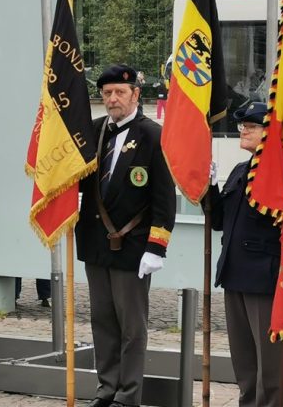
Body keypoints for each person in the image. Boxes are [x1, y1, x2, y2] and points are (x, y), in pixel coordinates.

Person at [74, 64, 176, 407]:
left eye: (120, 92)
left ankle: (128, 395)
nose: (113, 98)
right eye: (107, 93)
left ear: (136, 95)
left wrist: (156, 247)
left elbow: (163, 196)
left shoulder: (153, 135)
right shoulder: (94, 130)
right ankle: (106, 388)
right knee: (102, 322)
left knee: (132, 328)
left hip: (133, 245)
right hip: (96, 242)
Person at [209, 101, 283, 407]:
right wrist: (210, 187)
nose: (244, 131)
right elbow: (219, 221)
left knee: (270, 367)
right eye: (244, 126)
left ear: (269, 133)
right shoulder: (241, 171)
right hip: (234, 275)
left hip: (266, 281)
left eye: (252, 127)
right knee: (245, 364)